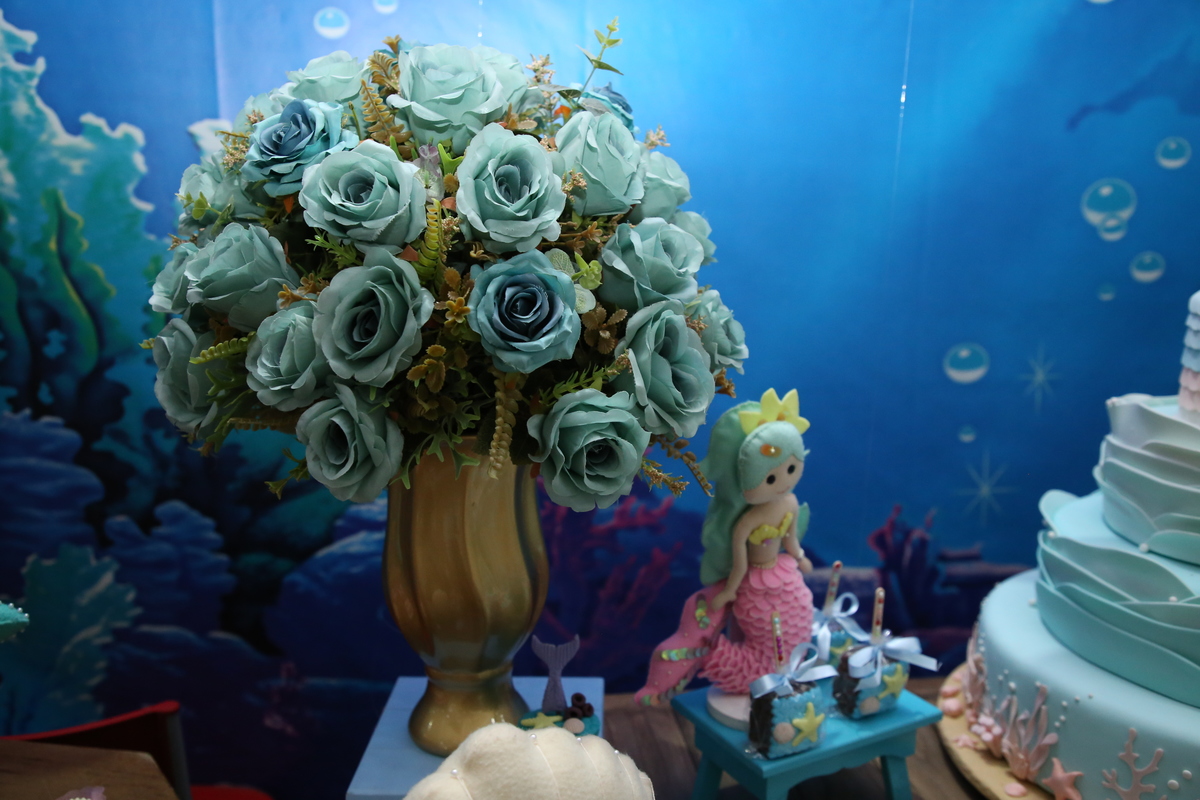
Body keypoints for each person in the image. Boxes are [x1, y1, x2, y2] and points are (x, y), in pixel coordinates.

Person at [635, 389, 815, 705]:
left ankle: (776, 675)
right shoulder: (747, 521)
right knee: (747, 625)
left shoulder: (789, 503)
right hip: (754, 583)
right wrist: (730, 589)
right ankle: (710, 664)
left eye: (791, 469)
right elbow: (740, 560)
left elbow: (790, 539)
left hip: (784, 576)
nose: (785, 482)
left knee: (793, 623)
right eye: (771, 478)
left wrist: (799, 556)